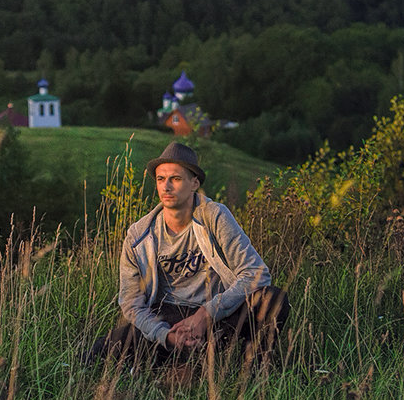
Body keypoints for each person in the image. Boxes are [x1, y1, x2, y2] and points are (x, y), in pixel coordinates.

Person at [90, 142, 289, 366]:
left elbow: (256, 273)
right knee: (104, 349)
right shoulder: (139, 235)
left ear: (194, 183)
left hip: (216, 314)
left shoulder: (214, 216)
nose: (166, 187)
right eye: (160, 179)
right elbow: (131, 302)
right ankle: (182, 356)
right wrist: (164, 334)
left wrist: (206, 314)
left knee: (272, 300)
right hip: (168, 317)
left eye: (175, 179)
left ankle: (250, 366)